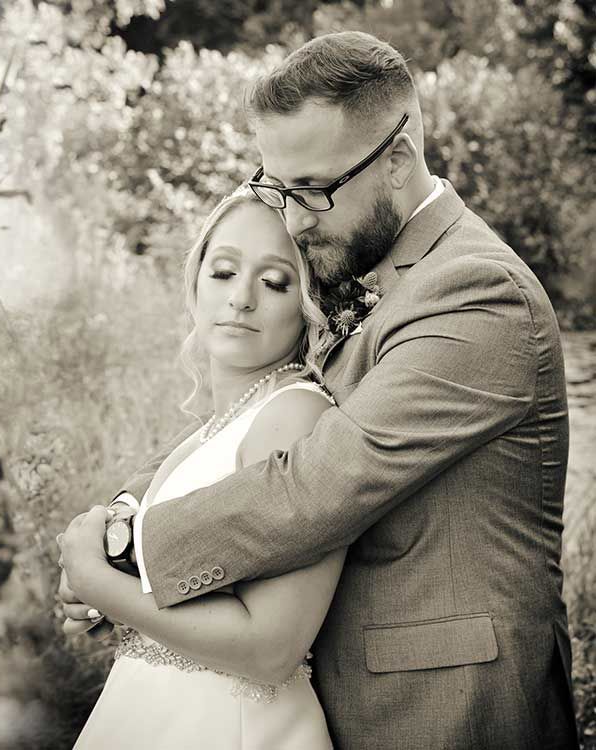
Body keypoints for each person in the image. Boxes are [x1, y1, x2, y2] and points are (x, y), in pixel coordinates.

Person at [60, 31, 573, 748]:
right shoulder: (365, 262)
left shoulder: (478, 293)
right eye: (279, 188)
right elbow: (256, 413)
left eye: (313, 191)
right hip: (338, 699)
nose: (294, 219)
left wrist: (123, 552)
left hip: (443, 708)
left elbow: (318, 482)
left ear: (397, 161)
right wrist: (126, 510)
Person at [59, 187, 336, 748]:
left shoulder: (295, 416)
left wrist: (99, 583)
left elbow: (272, 646)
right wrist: (108, 586)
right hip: (155, 712)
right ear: (194, 284)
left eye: (275, 281)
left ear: (310, 303)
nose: (240, 299)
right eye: (223, 272)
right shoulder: (213, 428)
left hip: (228, 725)